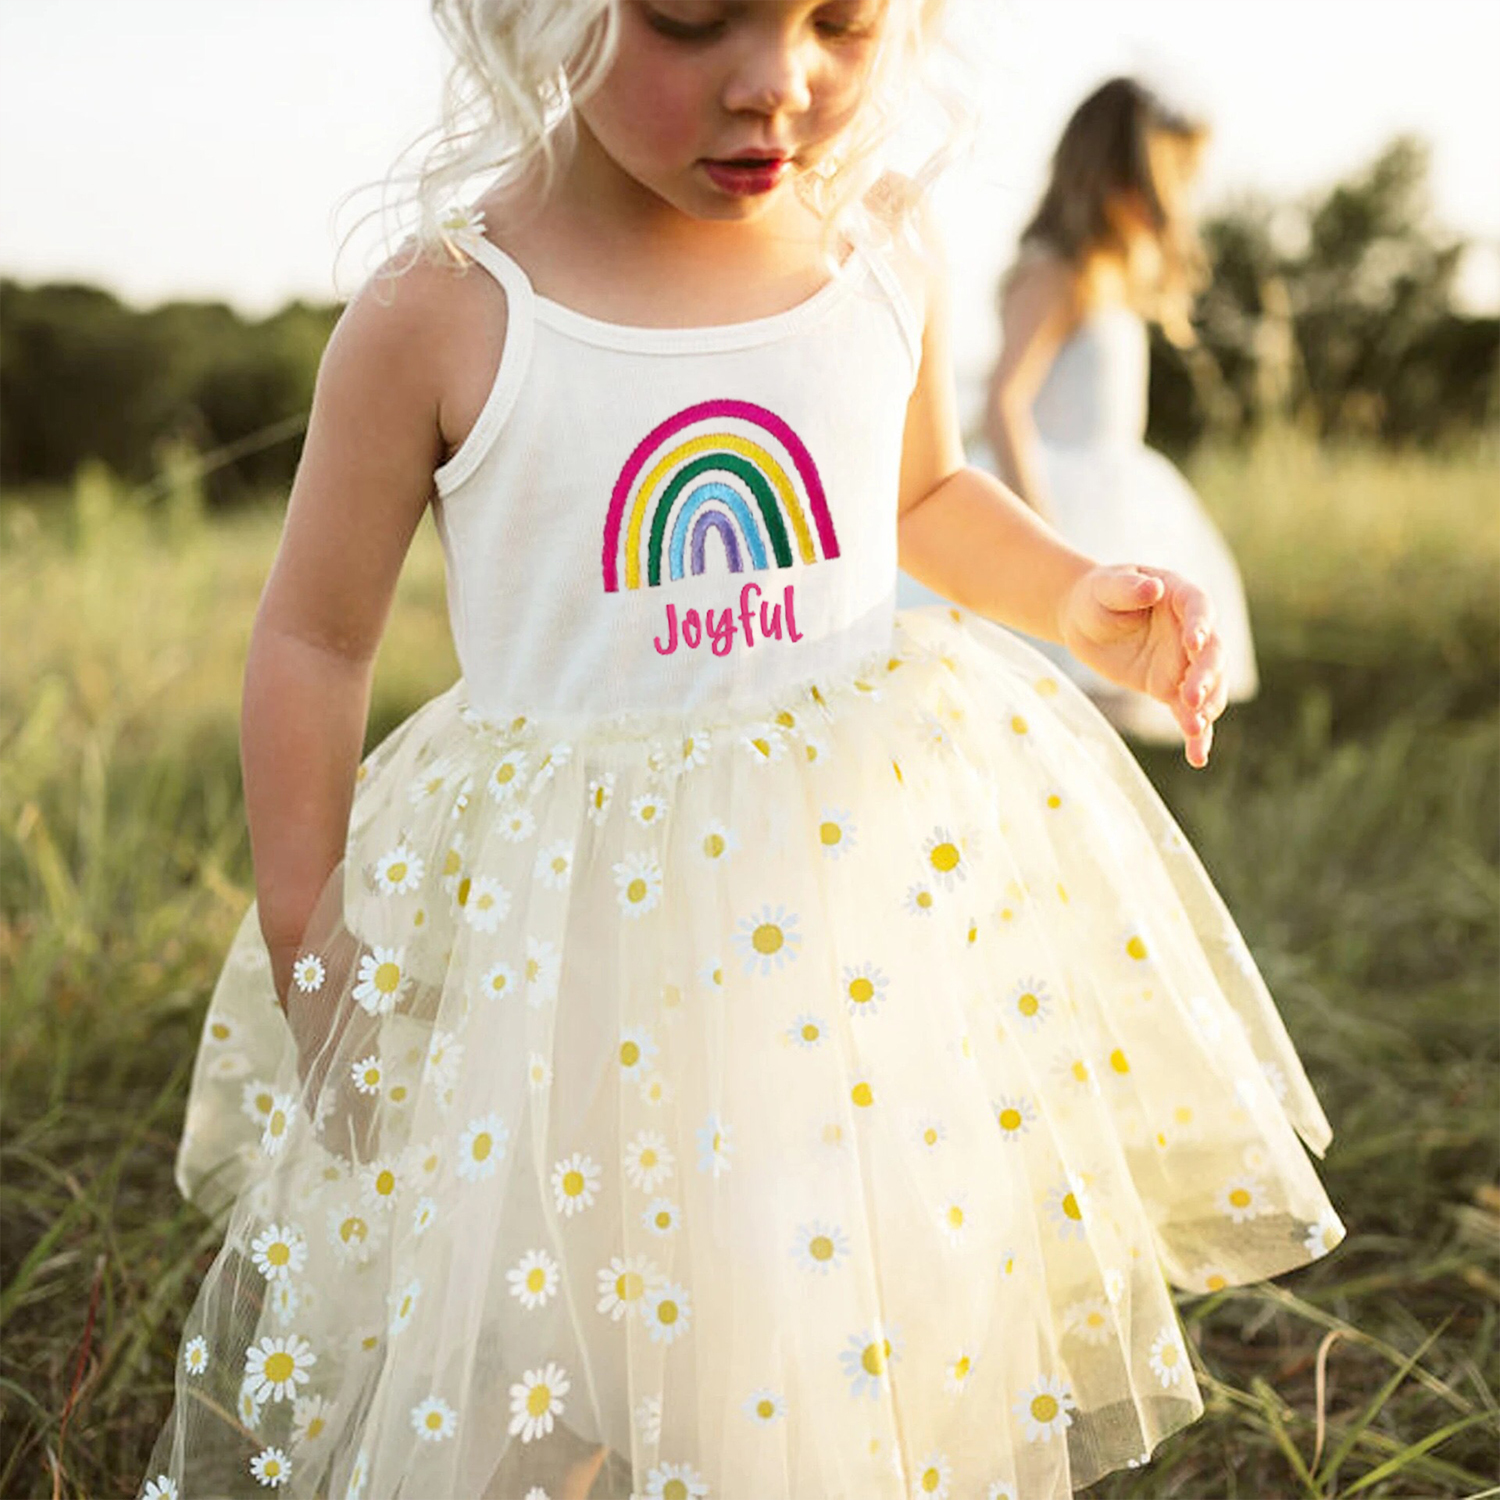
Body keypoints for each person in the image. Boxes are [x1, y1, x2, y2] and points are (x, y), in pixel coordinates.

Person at [140, 7, 1341, 1498]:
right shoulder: (446, 310)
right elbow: (315, 636)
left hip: (837, 926)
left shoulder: (879, 246)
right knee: (554, 1311)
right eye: (695, 17)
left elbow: (917, 500)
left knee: (816, 1293)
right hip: (571, 953)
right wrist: (305, 921)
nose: (779, 79)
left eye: (839, 19)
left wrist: (1073, 597)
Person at [978, 76, 1259, 743]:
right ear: (1112, 176)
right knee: (1053, 712)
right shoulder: (1055, 273)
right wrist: (1048, 549)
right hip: (1054, 502)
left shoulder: (1109, 276)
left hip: (1115, 495)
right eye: (1163, 180)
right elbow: (1004, 403)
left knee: (1103, 719)